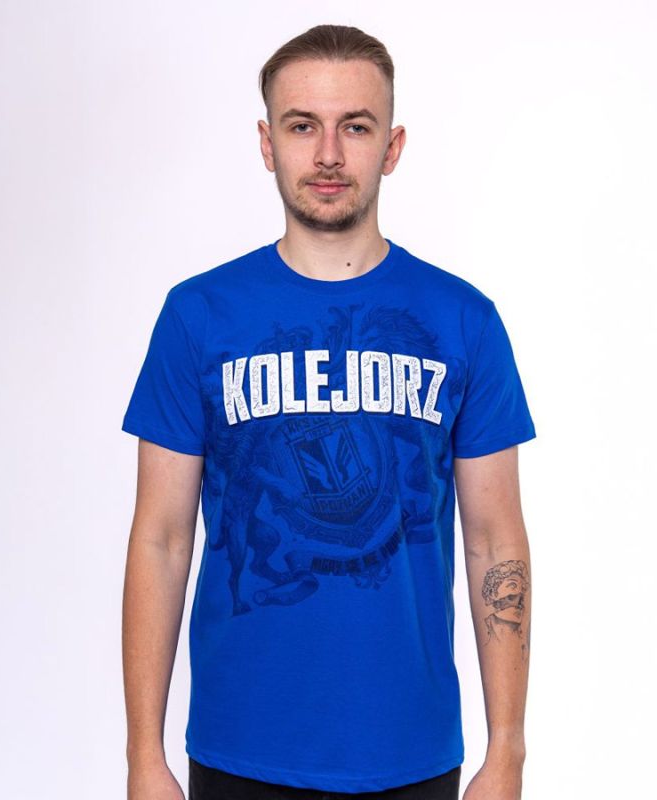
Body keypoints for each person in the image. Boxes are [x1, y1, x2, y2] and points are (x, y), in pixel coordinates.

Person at [121, 23, 536, 800]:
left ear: (393, 146)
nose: (329, 155)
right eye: (302, 126)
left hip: (410, 753)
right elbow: (161, 539)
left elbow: (494, 540)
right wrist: (144, 756)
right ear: (267, 144)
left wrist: (507, 750)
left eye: (357, 127)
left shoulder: (463, 321)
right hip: (239, 750)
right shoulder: (198, 316)